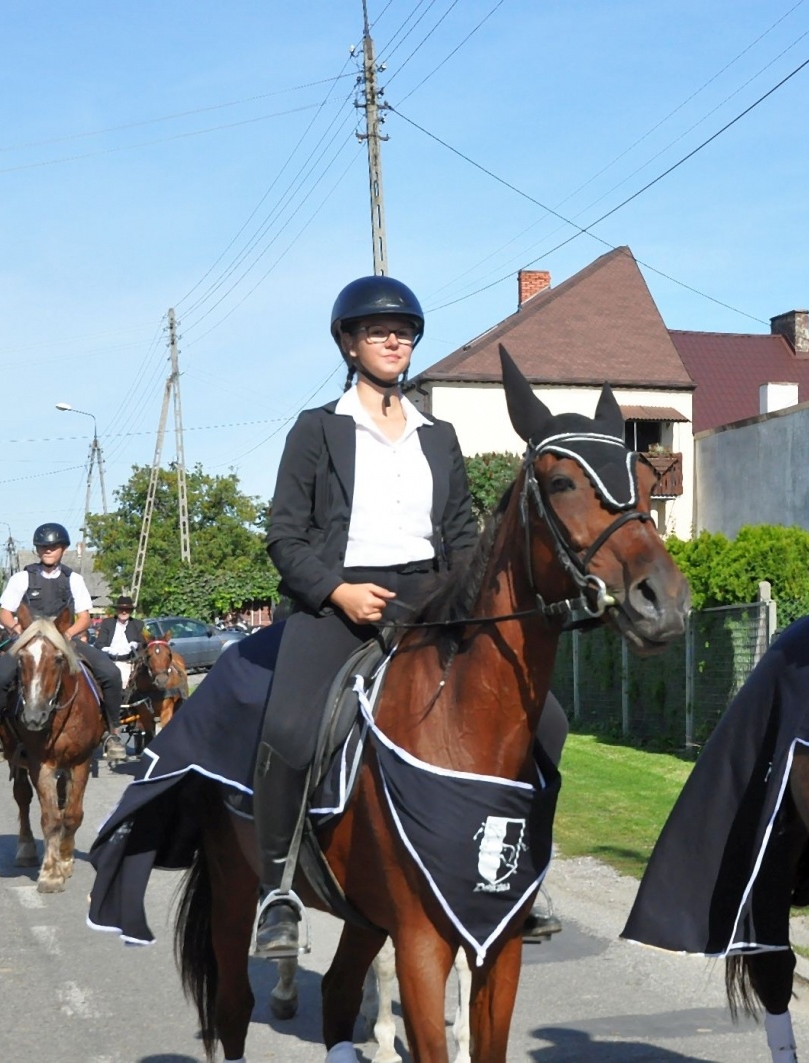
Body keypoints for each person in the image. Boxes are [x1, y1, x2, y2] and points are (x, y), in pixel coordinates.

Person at [252, 275, 567, 957]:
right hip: (339, 602)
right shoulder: (317, 430)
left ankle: (521, 877)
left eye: (404, 332)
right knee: (290, 725)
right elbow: (285, 535)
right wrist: (338, 592)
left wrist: (462, 599)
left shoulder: (438, 434)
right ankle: (276, 890)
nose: (394, 340)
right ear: (349, 342)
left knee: (549, 722)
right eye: (377, 331)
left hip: (430, 604)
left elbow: (459, 535)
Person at [0, 523, 127, 763]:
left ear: (63, 549)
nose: (48, 550)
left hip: (63, 640)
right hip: (29, 642)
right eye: (43, 547)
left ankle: (113, 734)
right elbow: (5, 612)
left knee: (110, 673)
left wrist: (68, 634)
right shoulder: (23, 577)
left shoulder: (74, 579)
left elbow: (84, 617)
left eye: (53, 547)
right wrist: (18, 629)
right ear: (38, 550)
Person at [95, 595, 147, 676]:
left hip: (129, 662)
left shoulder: (138, 624)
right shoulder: (107, 623)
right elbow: (98, 644)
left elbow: (143, 644)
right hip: (110, 661)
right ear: (116, 610)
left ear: (131, 611)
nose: (124, 612)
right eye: (121, 609)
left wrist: (135, 644)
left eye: (127, 610)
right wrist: (108, 649)